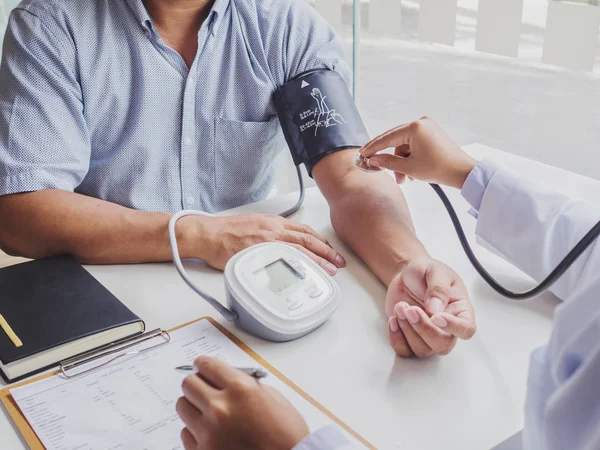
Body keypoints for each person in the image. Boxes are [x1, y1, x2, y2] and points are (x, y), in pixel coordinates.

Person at [0, 0, 475, 358]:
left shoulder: (285, 26)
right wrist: (198, 234)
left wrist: (406, 265)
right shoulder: (50, 26)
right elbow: (20, 212)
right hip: (108, 307)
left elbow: (351, 175)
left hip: (254, 297)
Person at [176, 117, 600, 450]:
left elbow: (352, 178)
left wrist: (291, 447)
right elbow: (588, 246)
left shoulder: (284, 30)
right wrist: (465, 176)